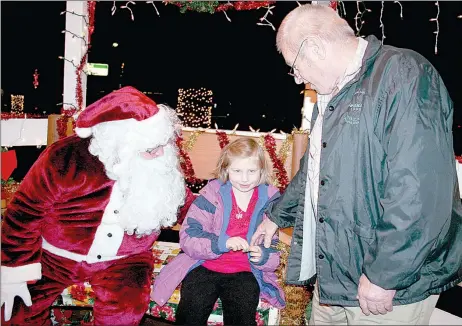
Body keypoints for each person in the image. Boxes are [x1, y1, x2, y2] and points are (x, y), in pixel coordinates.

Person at [251, 4, 462, 325]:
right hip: (335, 273)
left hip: (389, 285)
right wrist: (275, 217)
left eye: (295, 67)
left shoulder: (404, 75)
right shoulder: (331, 94)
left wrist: (384, 275)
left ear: (316, 48)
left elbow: (419, 192)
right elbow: (314, 170)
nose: (297, 80)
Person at [1, 86, 196, 325]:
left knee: (125, 311)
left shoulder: (161, 165)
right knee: (15, 312)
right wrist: (17, 268)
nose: (160, 153)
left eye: (163, 144)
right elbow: (24, 212)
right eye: (149, 148)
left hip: (124, 260)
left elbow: (190, 208)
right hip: (55, 257)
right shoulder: (66, 157)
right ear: (119, 142)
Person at [152, 138, 285, 325]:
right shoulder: (212, 193)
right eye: (237, 171)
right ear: (226, 169)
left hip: (246, 271)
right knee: (191, 311)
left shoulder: (269, 200)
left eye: (252, 171)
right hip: (204, 264)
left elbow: (274, 249)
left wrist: (262, 255)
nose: (245, 178)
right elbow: (189, 236)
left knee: (243, 315)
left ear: (262, 170)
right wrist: (222, 243)